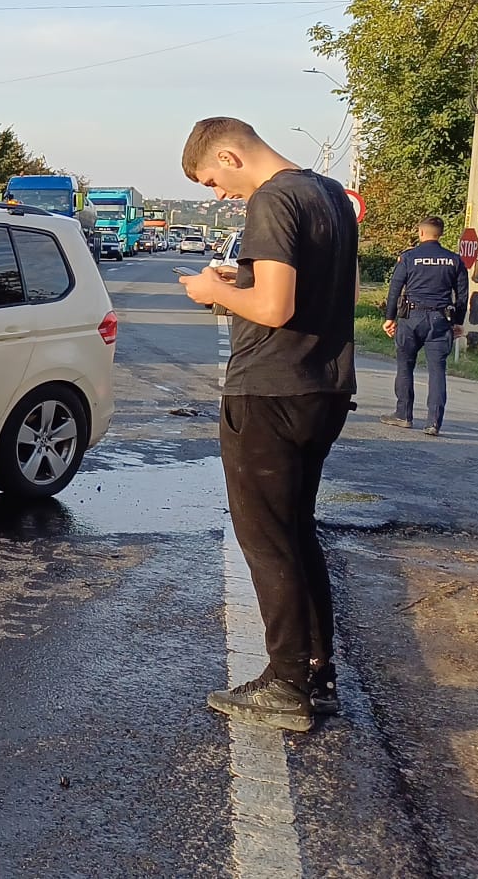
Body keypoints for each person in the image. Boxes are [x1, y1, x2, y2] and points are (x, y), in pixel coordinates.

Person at [177, 117, 359, 732]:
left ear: (230, 155)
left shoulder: (273, 198)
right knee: (297, 532)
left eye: (212, 181)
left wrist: (212, 290)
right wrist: (246, 279)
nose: (220, 195)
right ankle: (316, 676)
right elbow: (308, 289)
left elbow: (275, 308)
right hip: (323, 386)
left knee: (266, 540)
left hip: (269, 391)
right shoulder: (329, 194)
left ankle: (285, 684)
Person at [382, 215, 467, 437]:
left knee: (405, 365)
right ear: (441, 234)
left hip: (411, 318)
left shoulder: (408, 257)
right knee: (437, 370)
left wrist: (390, 318)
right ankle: (433, 422)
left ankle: (403, 415)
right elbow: (462, 295)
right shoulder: (455, 260)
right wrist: (458, 322)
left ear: (421, 232)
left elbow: (395, 289)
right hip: (440, 320)